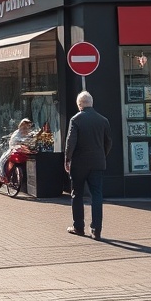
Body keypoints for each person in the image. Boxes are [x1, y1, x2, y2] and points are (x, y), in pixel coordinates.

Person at [64, 91, 112, 240]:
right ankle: (96, 230)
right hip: (97, 162)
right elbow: (108, 142)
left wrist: (67, 159)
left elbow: (71, 142)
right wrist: (102, 155)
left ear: (79, 105)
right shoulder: (103, 120)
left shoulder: (76, 120)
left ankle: (78, 227)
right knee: (97, 195)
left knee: (77, 194)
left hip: (79, 163)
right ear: (92, 103)